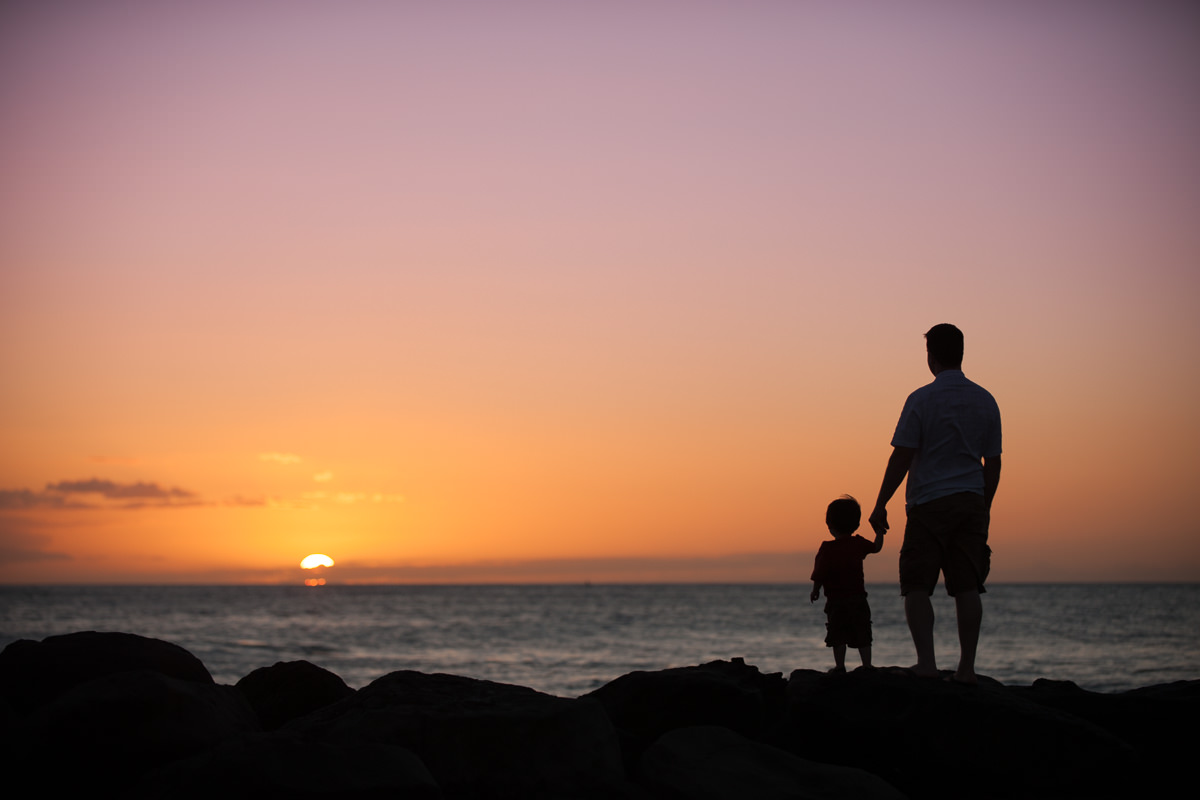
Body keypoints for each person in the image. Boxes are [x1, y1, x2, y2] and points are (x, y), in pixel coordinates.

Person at [868, 323, 1001, 684]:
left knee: (915, 584)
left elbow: (902, 456)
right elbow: (994, 462)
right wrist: (983, 506)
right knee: (967, 585)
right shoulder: (986, 400)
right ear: (960, 353)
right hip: (971, 500)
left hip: (928, 502)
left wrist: (881, 504)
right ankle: (967, 670)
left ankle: (926, 663)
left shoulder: (921, 399)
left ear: (932, 356)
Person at [810, 495, 884, 672]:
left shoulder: (827, 548)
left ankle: (840, 666)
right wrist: (879, 532)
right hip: (858, 598)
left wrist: (815, 590)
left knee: (837, 633)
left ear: (829, 525)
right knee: (863, 631)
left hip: (836, 600)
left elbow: (820, 573)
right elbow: (876, 548)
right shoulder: (857, 543)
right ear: (856, 524)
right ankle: (867, 665)